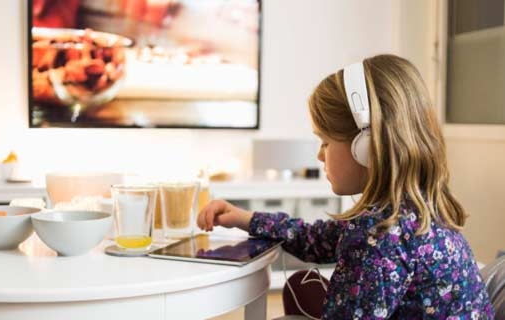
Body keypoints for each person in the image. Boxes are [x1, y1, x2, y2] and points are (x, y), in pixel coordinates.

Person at [197, 54, 494, 319]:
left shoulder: (378, 236)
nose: (319, 154)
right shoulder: (413, 210)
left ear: (366, 145)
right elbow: (318, 238)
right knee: (301, 289)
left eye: (325, 141)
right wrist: (245, 218)